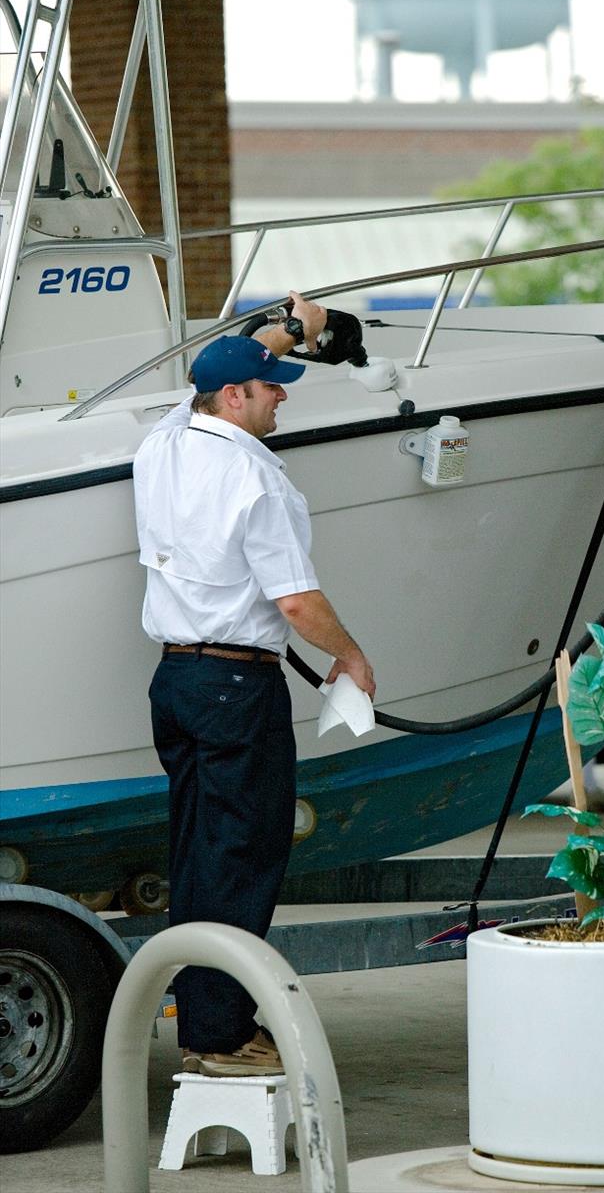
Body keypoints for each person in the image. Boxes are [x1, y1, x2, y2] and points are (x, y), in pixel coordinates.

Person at [133, 292, 375, 1078]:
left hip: (176, 680)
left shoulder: (164, 443)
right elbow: (298, 603)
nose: (280, 399)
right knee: (242, 855)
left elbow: (204, 376)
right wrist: (353, 658)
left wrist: (290, 331)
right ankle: (222, 1037)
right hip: (238, 687)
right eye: (271, 387)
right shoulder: (254, 477)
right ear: (233, 398)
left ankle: (207, 1016)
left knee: (200, 853)